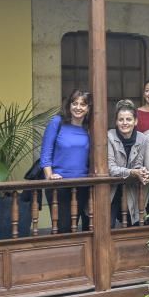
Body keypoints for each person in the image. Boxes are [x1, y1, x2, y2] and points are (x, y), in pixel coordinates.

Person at [40, 89, 92, 233]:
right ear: (69, 105)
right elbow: (46, 152)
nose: (78, 107)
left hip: (82, 185)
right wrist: (50, 176)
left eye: (83, 104)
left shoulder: (90, 128)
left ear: (88, 108)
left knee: (81, 227)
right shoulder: (57, 122)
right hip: (60, 184)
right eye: (74, 103)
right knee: (63, 228)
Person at [107, 100, 149, 227]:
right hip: (111, 190)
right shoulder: (109, 136)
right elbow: (111, 168)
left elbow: (139, 163)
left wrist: (141, 171)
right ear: (116, 121)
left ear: (135, 121)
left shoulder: (143, 139)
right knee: (107, 226)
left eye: (128, 119)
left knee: (135, 226)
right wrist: (132, 172)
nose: (125, 123)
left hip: (131, 189)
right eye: (121, 120)